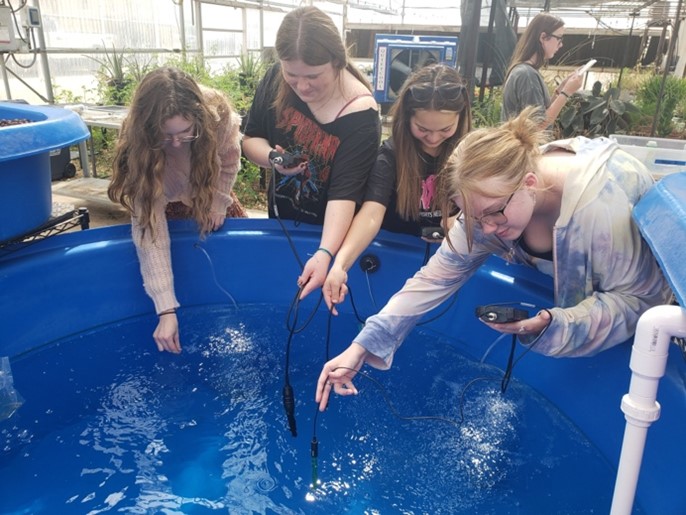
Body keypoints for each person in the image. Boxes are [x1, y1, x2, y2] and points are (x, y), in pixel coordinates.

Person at [315, 106, 672, 410]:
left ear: (530, 182)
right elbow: (434, 279)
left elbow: (643, 303)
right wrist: (361, 346)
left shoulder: (602, 211)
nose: (485, 229)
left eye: (494, 214)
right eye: (472, 217)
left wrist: (557, 323)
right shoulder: (490, 196)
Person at [242, 6, 380, 299]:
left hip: (331, 233)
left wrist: (325, 252)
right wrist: (273, 159)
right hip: (281, 221)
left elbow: (345, 194)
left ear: (337, 62)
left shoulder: (361, 114)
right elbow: (250, 138)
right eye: (292, 74)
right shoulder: (274, 79)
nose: (302, 85)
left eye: (314, 76)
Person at [108, 67, 246, 354]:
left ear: (199, 118)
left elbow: (230, 161)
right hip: (167, 206)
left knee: (235, 275)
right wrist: (165, 309)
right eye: (165, 136)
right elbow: (150, 231)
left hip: (210, 191)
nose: (175, 143)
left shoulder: (217, 114)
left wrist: (219, 202)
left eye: (185, 133)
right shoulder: (138, 146)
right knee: (178, 275)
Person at [322, 63, 472, 314]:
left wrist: (462, 221)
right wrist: (340, 265)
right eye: (423, 129)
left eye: (445, 129)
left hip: (441, 261)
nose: (434, 139)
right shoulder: (390, 156)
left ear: (461, 118)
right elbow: (371, 214)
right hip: (392, 259)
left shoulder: (472, 154)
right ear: (406, 118)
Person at [501, 12, 584, 126]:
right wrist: (566, 93)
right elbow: (539, 125)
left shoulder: (525, 71)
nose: (561, 45)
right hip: (524, 144)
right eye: (559, 38)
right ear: (543, 37)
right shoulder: (527, 75)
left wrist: (561, 88)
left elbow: (542, 112)